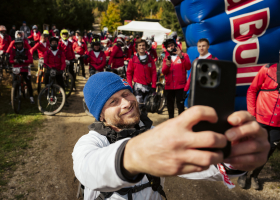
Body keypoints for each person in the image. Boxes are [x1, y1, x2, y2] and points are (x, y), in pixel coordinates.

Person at [73, 72, 270, 200]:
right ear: (100, 115)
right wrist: (136, 154)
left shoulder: (151, 133)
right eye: (113, 101)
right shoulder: (91, 141)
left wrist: (231, 157)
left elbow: (195, 162)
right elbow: (89, 169)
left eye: (126, 94)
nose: (126, 103)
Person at [242, 62, 280, 190]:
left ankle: (255, 175)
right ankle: (244, 173)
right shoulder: (268, 69)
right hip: (261, 117)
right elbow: (252, 90)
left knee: (268, 151)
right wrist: (252, 113)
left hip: (278, 123)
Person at [161, 36, 191, 119]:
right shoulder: (166, 58)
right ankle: (171, 124)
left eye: (172, 45)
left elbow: (188, 67)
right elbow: (164, 72)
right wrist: (167, 65)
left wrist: (181, 56)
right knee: (170, 108)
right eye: (168, 46)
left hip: (180, 87)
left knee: (180, 107)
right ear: (166, 48)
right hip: (169, 87)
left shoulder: (184, 55)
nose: (171, 47)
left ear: (175, 45)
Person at [126, 38, 157, 114]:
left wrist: (153, 85)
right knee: (138, 108)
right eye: (139, 45)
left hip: (148, 87)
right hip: (138, 87)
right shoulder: (133, 59)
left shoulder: (150, 59)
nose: (141, 47)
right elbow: (129, 73)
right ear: (137, 47)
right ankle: (139, 124)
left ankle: (146, 124)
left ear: (146, 47)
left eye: (143, 45)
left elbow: (153, 72)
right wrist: (130, 86)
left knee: (147, 107)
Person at [9, 38, 35, 104]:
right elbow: (10, 60)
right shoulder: (13, 51)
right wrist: (14, 61)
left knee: (28, 82)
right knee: (14, 82)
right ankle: (13, 98)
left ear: (22, 44)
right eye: (17, 44)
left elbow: (31, 60)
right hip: (16, 69)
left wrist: (24, 61)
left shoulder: (27, 51)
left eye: (20, 44)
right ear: (16, 45)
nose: (19, 45)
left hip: (25, 68)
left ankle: (31, 97)